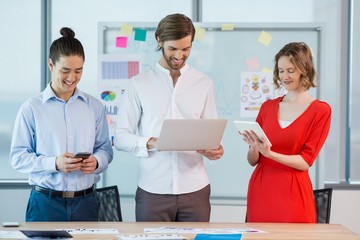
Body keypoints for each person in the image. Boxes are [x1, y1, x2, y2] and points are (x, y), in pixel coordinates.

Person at [114, 13, 224, 222]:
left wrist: (215, 150)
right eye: (173, 49)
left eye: (186, 49)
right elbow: (120, 137)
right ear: (159, 41)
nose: (179, 56)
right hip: (152, 189)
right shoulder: (139, 83)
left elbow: (213, 133)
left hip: (195, 188)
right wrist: (151, 142)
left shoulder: (203, 83)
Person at [9, 27, 113, 222]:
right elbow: (18, 157)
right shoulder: (31, 108)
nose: (72, 78)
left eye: (78, 71)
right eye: (65, 70)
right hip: (45, 204)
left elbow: (105, 149)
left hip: (86, 203)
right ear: (51, 64)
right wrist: (54, 163)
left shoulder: (95, 107)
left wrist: (97, 161)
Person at [241, 42, 331, 223]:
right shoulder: (267, 107)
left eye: (290, 70)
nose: (284, 76)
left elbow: (305, 161)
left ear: (304, 69)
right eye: (281, 71)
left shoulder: (320, 111)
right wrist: (254, 147)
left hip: (294, 191)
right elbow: (253, 161)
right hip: (261, 189)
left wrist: (270, 153)